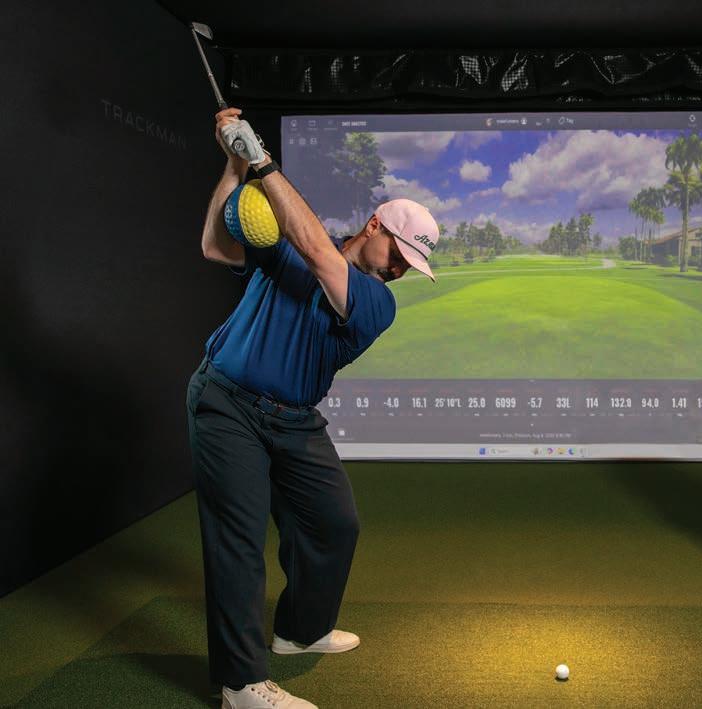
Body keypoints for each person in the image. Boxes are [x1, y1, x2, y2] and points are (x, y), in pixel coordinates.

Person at [187, 107, 439, 709]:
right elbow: (215, 247)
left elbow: (322, 257)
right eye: (399, 252)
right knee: (238, 540)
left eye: (411, 264)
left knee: (334, 524)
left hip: (294, 420)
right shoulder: (294, 247)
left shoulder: (377, 302)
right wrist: (234, 165)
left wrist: (262, 161)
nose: (400, 268)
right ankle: (242, 685)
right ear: (374, 225)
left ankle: (301, 630)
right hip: (226, 404)